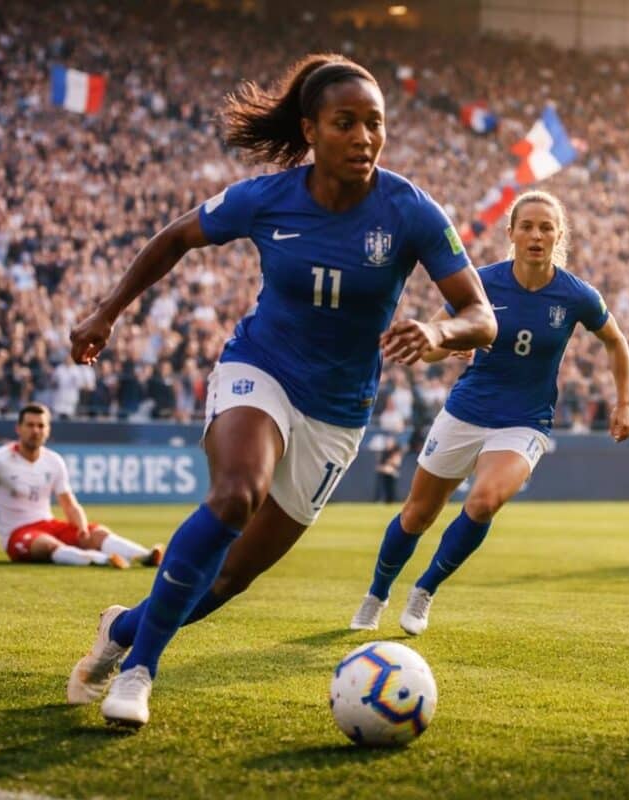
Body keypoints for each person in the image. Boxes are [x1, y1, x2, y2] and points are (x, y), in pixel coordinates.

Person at [63, 54, 496, 728]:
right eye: (345, 123)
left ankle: (123, 629)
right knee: (236, 493)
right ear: (311, 130)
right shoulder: (267, 198)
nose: (363, 137)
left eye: (374, 124)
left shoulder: (409, 210)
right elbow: (176, 236)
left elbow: (482, 317)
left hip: (338, 412)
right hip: (259, 369)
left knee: (231, 577)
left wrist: (442, 334)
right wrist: (107, 311)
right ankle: (140, 667)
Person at [350, 191, 629, 635]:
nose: (536, 235)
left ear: (559, 235)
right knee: (417, 515)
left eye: (546, 227)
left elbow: (616, 341)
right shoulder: (480, 284)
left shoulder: (577, 295)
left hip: (525, 421)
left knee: (484, 502)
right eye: (527, 226)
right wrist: (448, 345)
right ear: (511, 234)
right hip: (466, 412)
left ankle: (425, 590)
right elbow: (431, 349)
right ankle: (376, 595)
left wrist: (624, 402)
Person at [0, 403, 163, 568]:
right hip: (17, 535)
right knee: (47, 545)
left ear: (48, 430)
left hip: (47, 524)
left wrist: (81, 527)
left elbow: (70, 504)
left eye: (41, 426)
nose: (35, 431)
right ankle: (103, 559)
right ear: (18, 428)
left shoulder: (54, 461)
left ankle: (146, 556)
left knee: (97, 532)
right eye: (30, 425)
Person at [373, 438, 404, 504]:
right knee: (383, 488)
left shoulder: (396, 451)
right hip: (384, 473)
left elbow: (397, 462)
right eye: (387, 442)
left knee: (391, 489)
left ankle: (391, 501)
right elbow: (379, 465)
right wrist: (384, 467)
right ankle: (380, 500)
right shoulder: (384, 453)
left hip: (392, 474)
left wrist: (390, 463)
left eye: (390, 442)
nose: (388, 444)